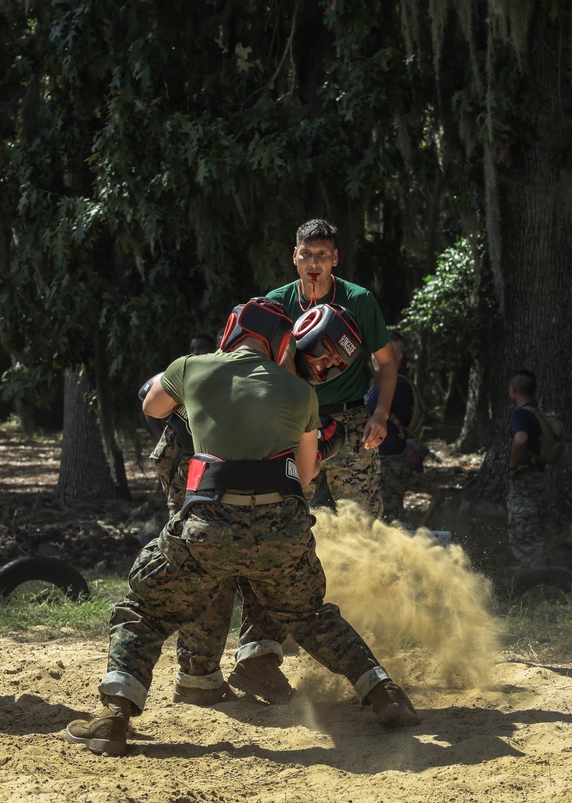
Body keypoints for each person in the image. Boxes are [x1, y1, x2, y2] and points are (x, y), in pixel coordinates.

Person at [67, 298, 419, 756]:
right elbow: (307, 475)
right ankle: (382, 693)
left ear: (231, 331)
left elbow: (154, 406)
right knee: (309, 617)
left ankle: (115, 717)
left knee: (146, 610)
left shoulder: (192, 367)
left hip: (208, 526)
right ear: (281, 345)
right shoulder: (300, 394)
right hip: (282, 530)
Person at [267, 218, 397, 519]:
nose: (314, 262)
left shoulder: (359, 300)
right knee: (286, 516)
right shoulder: (275, 304)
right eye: (306, 253)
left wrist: (381, 415)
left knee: (363, 520)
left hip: (350, 422)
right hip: (293, 423)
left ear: (335, 258)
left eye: (322, 254)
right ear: (294, 256)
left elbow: (388, 362)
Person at [364, 331, 420, 524]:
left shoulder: (395, 385)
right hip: (384, 461)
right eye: (377, 353)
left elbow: (365, 414)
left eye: (388, 354)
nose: (380, 358)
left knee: (387, 522)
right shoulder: (380, 385)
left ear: (399, 357)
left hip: (388, 463)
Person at [507, 369, 549, 568]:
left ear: (514, 389)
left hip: (524, 477)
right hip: (540, 476)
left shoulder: (521, 415)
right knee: (535, 527)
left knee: (523, 531)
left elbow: (520, 439)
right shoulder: (540, 413)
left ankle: (535, 583)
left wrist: (513, 466)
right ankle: (542, 576)